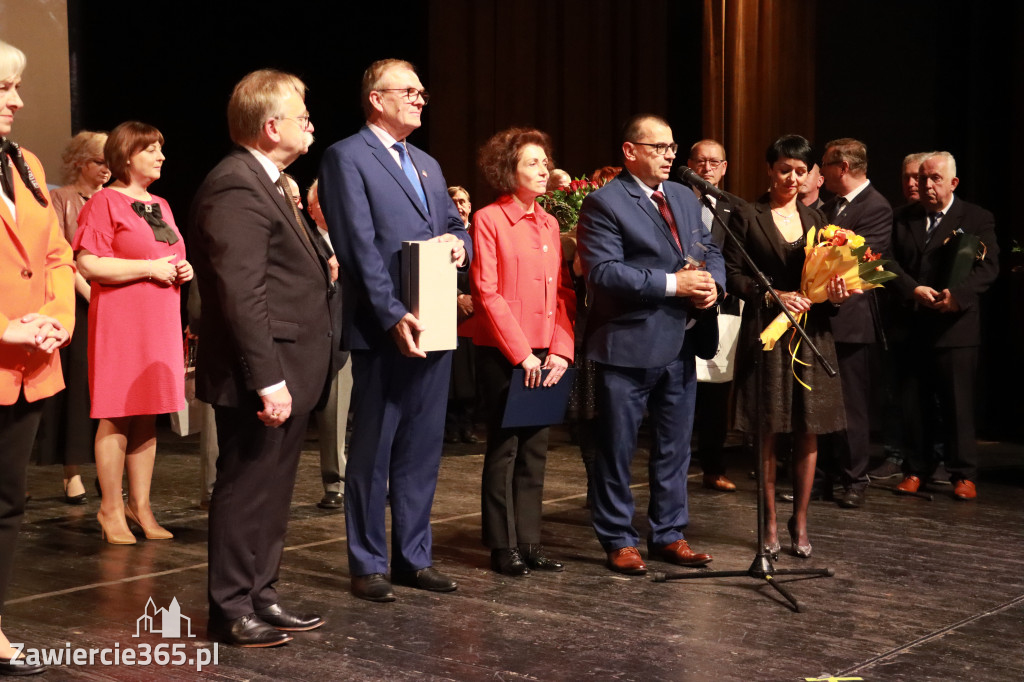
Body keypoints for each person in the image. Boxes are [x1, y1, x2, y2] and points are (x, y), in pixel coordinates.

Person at [189, 69, 334, 647]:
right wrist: (267, 379)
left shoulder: (271, 182)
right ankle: (228, 607)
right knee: (246, 486)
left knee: (273, 490)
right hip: (263, 371)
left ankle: (260, 595)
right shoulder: (236, 184)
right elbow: (240, 291)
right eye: (302, 116)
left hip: (291, 366)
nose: (310, 124)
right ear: (272, 126)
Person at [318, 59, 470, 602]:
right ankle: (368, 563)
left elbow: (455, 225)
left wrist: (460, 244)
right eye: (410, 90)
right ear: (376, 99)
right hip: (385, 327)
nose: (421, 98)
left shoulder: (425, 162)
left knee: (421, 449)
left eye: (422, 91)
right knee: (374, 449)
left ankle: (413, 557)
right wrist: (390, 313)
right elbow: (357, 246)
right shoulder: (345, 157)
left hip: (433, 324)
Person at [576, 114, 722, 576]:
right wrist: (673, 285)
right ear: (630, 150)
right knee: (617, 447)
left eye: (671, 148)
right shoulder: (604, 203)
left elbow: (710, 249)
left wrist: (712, 284)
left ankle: (669, 533)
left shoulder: (682, 195)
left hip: (681, 340)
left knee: (676, 447)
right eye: (659, 147)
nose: (669, 155)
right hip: (627, 342)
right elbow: (603, 272)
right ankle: (618, 538)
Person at [724, 134, 855, 559]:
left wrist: (834, 294)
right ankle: (769, 523)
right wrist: (770, 295)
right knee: (768, 429)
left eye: (801, 171)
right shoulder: (748, 214)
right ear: (769, 169)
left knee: (808, 428)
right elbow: (732, 274)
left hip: (811, 334)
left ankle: (800, 520)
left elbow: (827, 280)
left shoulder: (819, 219)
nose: (792, 178)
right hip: (768, 333)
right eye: (785, 169)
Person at [72, 121, 192, 546]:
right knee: (118, 410)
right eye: (151, 149)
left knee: (148, 412)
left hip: (160, 319)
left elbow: (171, 253)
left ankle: (140, 506)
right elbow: (88, 264)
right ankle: (109, 507)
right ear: (126, 156)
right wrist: (148, 268)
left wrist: (182, 268)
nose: (161, 156)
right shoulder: (105, 202)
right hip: (122, 320)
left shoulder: (160, 204)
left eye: (161, 148)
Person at [0, 39, 75, 677]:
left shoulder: (23, 162)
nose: (18, 101)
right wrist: (4, 328)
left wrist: (54, 320)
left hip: (28, 368)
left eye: (17, 86)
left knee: (7, 502)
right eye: (3, 89)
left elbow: (55, 257)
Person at [470, 128, 575, 576]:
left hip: (546, 350)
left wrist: (562, 351)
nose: (543, 169)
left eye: (544, 161)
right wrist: (522, 355)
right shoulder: (489, 219)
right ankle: (502, 545)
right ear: (507, 170)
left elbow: (564, 293)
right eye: (532, 162)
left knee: (536, 449)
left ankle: (530, 541)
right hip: (506, 349)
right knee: (505, 448)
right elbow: (486, 292)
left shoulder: (550, 223)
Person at [889, 152, 998, 501]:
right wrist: (911, 289)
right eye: (922, 179)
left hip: (955, 328)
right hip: (913, 325)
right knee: (914, 404)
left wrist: (958, 296)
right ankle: (915, 469)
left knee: (957, 405)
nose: (925, 185)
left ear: (953, 183)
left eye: (934, 179)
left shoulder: (976, 217)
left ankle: (962, 474)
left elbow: (988, 267)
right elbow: (887, 261)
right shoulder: (902, 217)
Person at [817, 138, 893, 508]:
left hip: (851, 320)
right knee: (823, 403)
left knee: (851, 404)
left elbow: (868, 261)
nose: (821, 172)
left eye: (825, 165)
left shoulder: (875, 206)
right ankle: (826, 477)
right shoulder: (830, 206)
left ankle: (854, 478)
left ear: (842, 167)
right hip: (823, 319)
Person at [35, 130, 108, 504]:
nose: (107, 169)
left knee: (107, 391)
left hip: (111, 302)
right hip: (79, 303)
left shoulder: (114, 201)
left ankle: (108, 471)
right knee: (78, 390)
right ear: (81, 162)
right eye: (100, 161)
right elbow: (62, 256)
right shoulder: (59, 199)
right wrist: (92, 297)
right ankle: (73, 472)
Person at [686, 138, 740, 493]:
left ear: (724, 168)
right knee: (677, 387)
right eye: (700, 162)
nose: (707, 168)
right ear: (689, 165)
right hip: (677, 304)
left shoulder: (736, 209)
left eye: (714, 162)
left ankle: (713, 466)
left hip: (721, 308)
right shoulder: (670, 203)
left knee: (715, 395)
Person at [306, 178, 353, 510]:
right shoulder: (305, 240)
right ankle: (334, 483)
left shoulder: (354, 239)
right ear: (311, 209)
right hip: (317, 338)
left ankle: (373, 480)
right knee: (329, 417)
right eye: (324, 201)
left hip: (355, 337)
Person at [444, 185, 480, 445]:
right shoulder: (441, 237)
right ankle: (451, 426)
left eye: (464, 201)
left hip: (477, 311)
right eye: (454, 201)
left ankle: (468, 424)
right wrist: (457, 295)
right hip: (447, 310)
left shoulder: (480, 234)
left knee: (471, 373)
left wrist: (475, 299)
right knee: (453, 374)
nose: (460, 205)